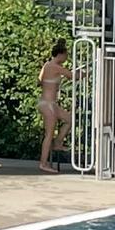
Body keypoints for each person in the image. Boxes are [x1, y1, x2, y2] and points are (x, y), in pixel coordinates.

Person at [38, 43, 73, 174]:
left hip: (51, 103)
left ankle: (58, 142)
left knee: (69, 119)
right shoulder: (54, 66)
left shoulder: (47, 65)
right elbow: (73, 76)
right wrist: (88, 72)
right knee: (49, 134)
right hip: (48, 104)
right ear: (60, 54)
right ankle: (43, 163)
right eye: (66, 55)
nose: (66, 57)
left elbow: (39, 81)